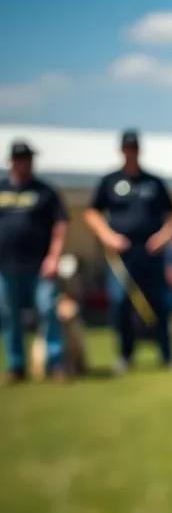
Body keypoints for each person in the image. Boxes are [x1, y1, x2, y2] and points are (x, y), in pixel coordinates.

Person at [84, 130, 172, 371]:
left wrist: (163, 236)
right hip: (122, 255)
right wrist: (108, 236)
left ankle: (167, 355)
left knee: (158, 303)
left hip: (151, 253)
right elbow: (92, 212)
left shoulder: (153, 182)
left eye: (134, 148)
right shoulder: (111, 181)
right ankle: (125, 356)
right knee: (119, 303)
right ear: (122, 150)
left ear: (139, 150)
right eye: (128, 148)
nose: (131, 152)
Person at [0, 139, 68, 383]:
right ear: (12, 161)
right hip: (5, 266)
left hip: (40, 266)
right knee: (9, 316)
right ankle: (16, 365)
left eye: (29, 159)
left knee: (48, 311)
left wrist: (53, 257)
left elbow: (60, 225)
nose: (25, 163)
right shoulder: (2, 189)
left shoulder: (45, 192)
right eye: (21, 159)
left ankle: (56, 362)